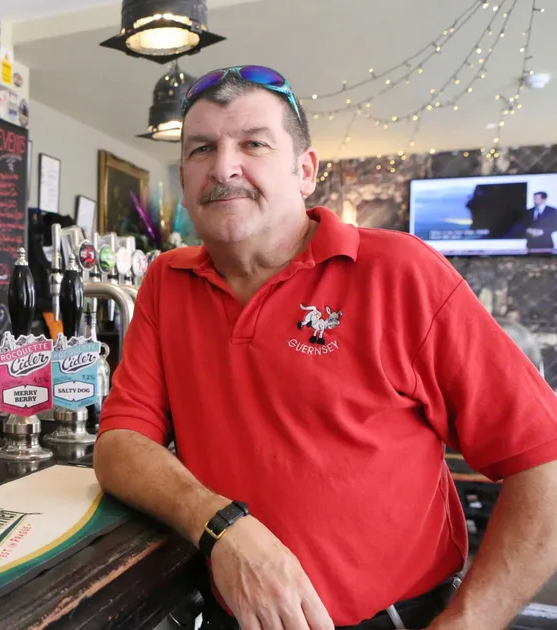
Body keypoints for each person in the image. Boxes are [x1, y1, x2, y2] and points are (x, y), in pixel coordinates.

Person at [94, 65, 557, 630]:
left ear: (306, 170)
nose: (224, 167)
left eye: (253, 143)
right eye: (201, 148)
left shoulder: (401, 272)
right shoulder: (167, 281)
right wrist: (222, 527)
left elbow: (544, 462)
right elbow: (119, 443)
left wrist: (469, 622)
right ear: (185, 177)